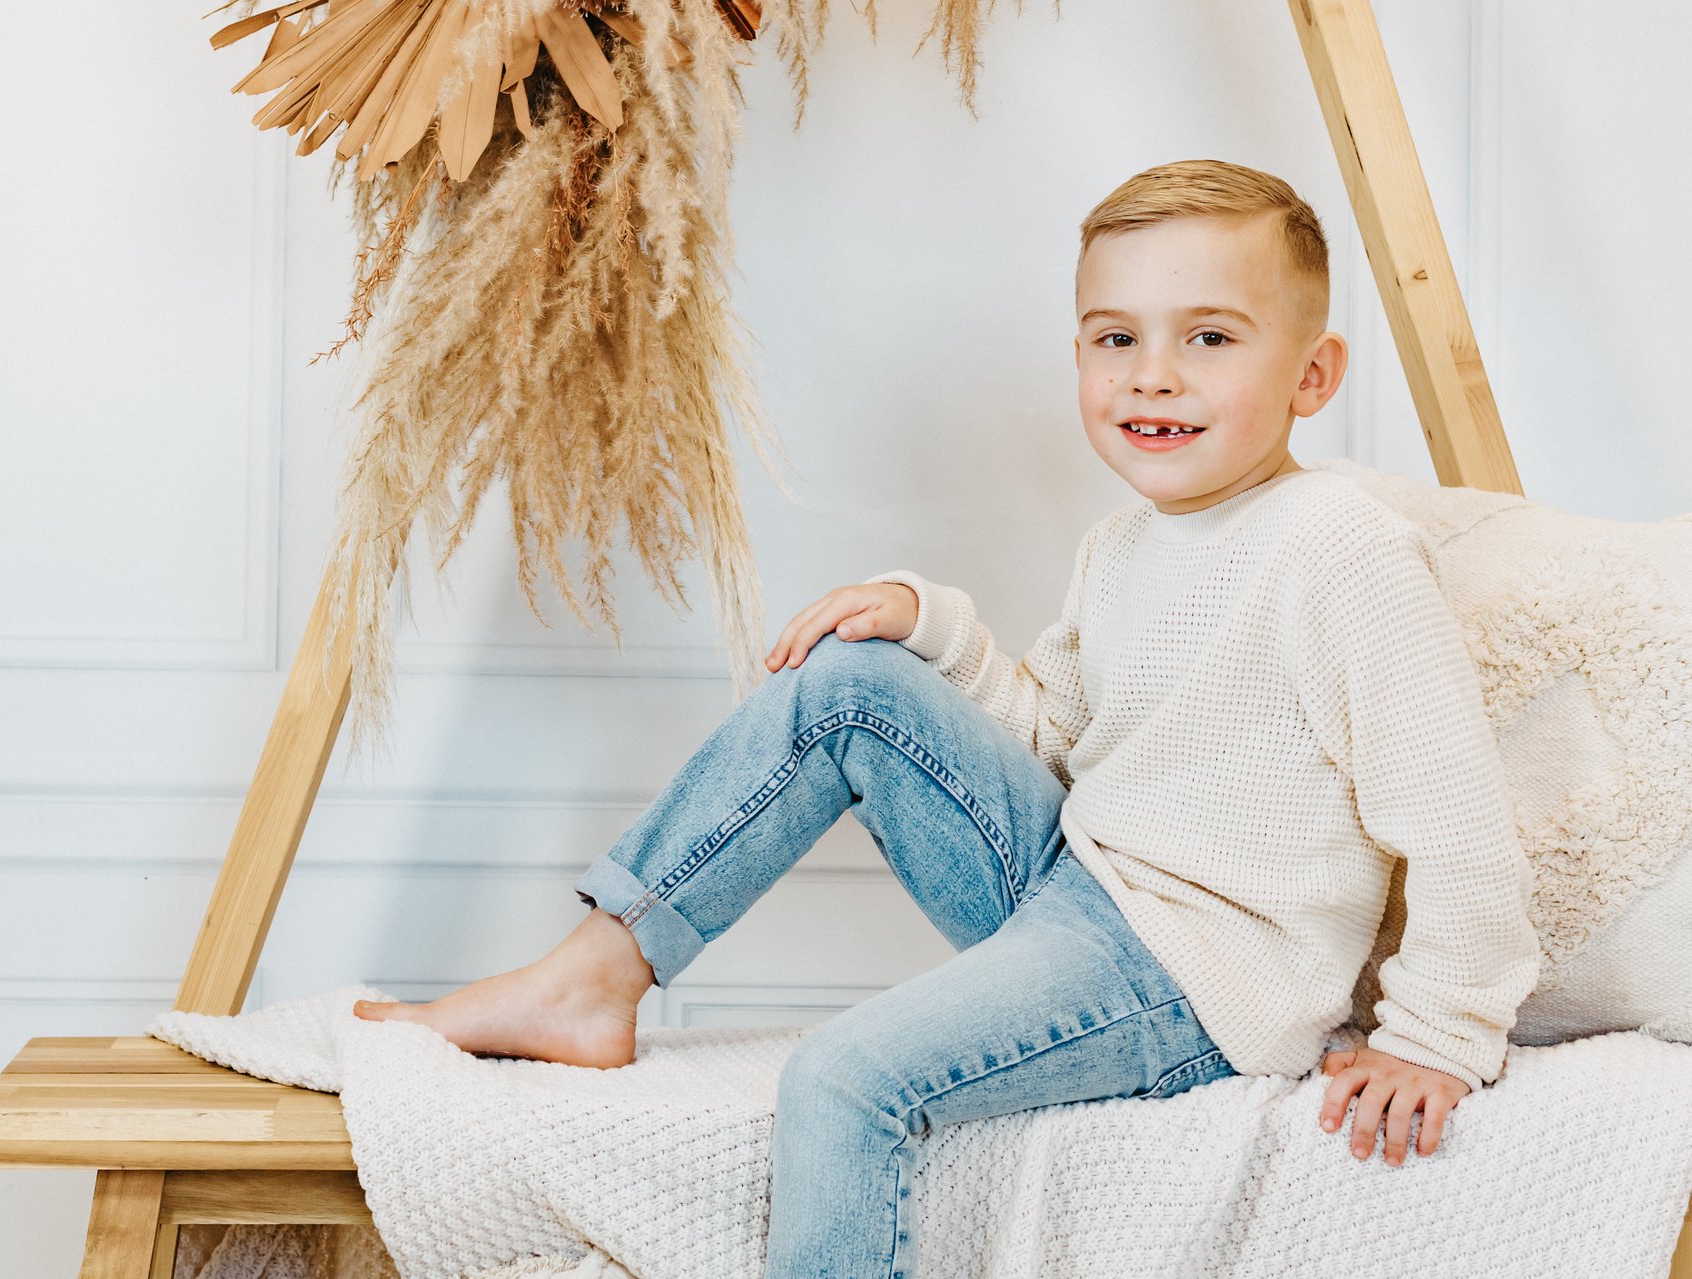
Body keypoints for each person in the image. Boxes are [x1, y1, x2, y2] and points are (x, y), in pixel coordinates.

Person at [353, 158, 1542, 1278]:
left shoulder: (1342, 551)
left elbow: (1460, 822)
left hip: (1195, 975)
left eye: (1210, 339)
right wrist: (937, 629)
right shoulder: (1125, 544)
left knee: (842, 1079)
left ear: (1312, 377)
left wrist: (1436, 1035)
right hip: (1080, 881)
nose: (1152, 375)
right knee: (848, 682)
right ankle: (592, 975)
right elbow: (1057, 743)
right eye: (1115, 339)